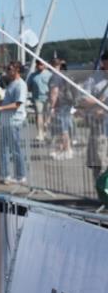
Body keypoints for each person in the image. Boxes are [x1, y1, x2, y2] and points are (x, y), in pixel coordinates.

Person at [79, 52, 108, 192]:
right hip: (99, 129)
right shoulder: (93, 79)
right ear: (103, 62)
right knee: (99, 163)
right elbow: (83, 100)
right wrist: (100, 102)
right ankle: (102, 195)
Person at [0, 61, 28, 184]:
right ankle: (5, 175)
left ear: (17, 70)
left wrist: (0, 108)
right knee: (3, 150)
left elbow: (18, 104)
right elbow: (6, 100)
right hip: (5, 121)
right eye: (7, 68)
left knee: (16, 150)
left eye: (9, 68)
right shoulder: (11, 84)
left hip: (14, 121)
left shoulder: (21, 85)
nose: (7, 71)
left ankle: (20, 175)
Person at [48, 60, 75, 161]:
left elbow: (54, 93)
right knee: (65, 128)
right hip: (67, 103)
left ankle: (67, 150)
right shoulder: (65, 75)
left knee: (62, 129)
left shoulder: (54, 77)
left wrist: (52, 107)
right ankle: (65, 149)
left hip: (60, 105)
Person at [27, 61, 52, 143]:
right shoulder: (33, 75)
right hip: (37, 98)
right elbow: (28, 87)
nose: (39, 66)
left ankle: (44, 130)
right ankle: (40, 133)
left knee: (47, 116)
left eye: (41, 64)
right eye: (38, 64)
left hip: (48, 98)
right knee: (39, 115)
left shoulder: (49, 74)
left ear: (44, 65)